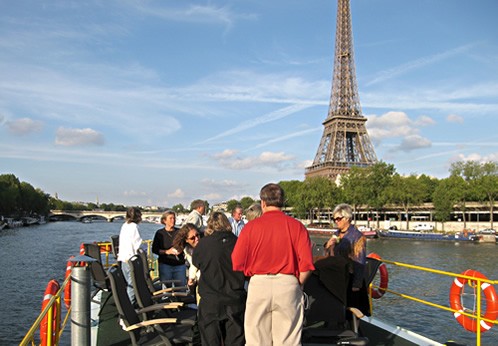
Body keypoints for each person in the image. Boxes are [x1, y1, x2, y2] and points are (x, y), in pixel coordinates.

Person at [232, 183, 315, 346]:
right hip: (288, 283)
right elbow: (307, 265)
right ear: (282, 202)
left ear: (262, 202)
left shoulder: (250, 228)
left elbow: (237, 262)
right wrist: (297, 284)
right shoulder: (297, 226)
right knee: (288, 340)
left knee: (256, 339)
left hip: (259, 284)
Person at [193, 212, 246, 346]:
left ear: (209, 225)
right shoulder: (239, 242)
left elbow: (196, 264)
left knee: (210, 341)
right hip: (234, 298)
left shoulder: (203, 244)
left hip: (211, 300)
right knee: (236, 340)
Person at [324, 203, 368, 315]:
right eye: (334, 219)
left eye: (338, 218)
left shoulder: (357, 236)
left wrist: (357, 284)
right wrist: (327, 245)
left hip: (351, 278)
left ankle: (353, 330)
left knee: (352, 309)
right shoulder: (337, 234)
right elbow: (328, 251)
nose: (336, 221)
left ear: (347, 218)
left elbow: (360, 260)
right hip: (338, 277)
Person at [117, 207, 145, 304]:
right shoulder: (134, 227)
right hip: (131, 260)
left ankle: (127, 305)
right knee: (133, 284)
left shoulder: (124, 225)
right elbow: (138, 244)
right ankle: (130, 306)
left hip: (123, 258)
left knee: (129, 284)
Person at [152, 210, 186, 287]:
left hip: (179, 265)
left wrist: (180, 250)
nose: (173, 220)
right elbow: (154, 249)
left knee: (181, 288)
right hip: (165, 264)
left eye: (174, 218)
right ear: (164, 221)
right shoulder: (160, 233)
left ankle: (181, 299)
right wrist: (167, 251)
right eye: (170, 218)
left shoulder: (180, 232)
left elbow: (185, 244)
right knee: (166, 289)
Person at [172, 223, 201, 297]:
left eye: (197, 235)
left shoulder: (204, 244)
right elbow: (193, 264)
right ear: (186, 240)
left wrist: (191, 277)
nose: (196, 239)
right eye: (192, 238)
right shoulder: (187, 250)